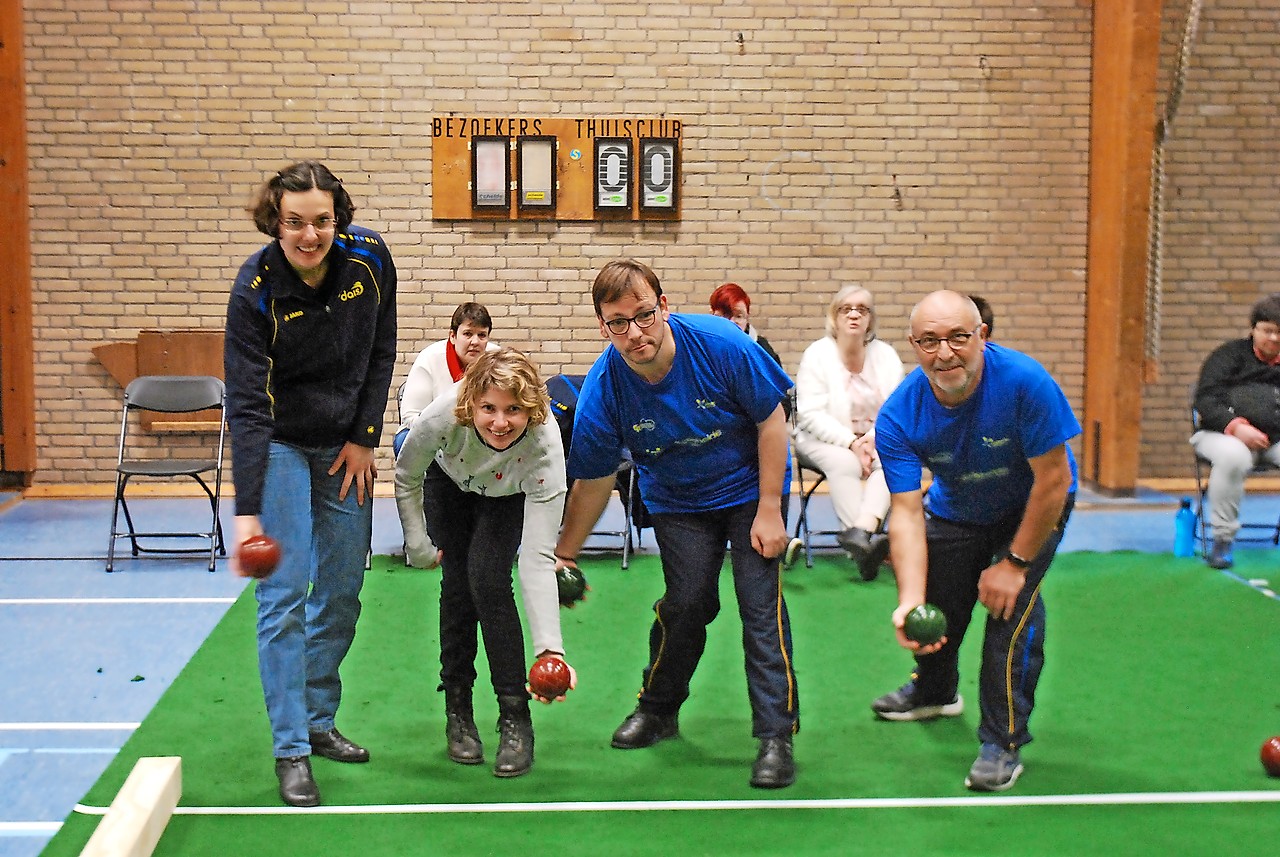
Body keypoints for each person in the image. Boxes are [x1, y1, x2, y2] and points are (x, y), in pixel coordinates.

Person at [554, 259, 799, 789]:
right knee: (688, 604)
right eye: (618, 322)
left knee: (759, 605)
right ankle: (658, 709)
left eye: (643, 315)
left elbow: (772, 419)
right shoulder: (604, 386)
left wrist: (771, 508)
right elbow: (593, 481)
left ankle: (775, 736)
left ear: (664, 307)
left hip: (747, 491)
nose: (634, 332)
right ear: (603, 325)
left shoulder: (720, 344)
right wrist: (566, 554)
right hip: (677, 501)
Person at [224, 160, 397, 808]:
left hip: (344, 445)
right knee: (284, 594)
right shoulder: (255, 289)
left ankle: (319, 717)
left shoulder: (372, 260)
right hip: (280, 445)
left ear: (338, 218)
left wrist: (365, 437)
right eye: (295, 222)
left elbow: (382, 350)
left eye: (320, 220)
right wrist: (248, 512)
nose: (308, 234)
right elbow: (245, 404)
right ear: (276, 220)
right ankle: (291, 747)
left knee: (346, 587)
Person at [871, 290, 1078, 792]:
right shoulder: (899, 415)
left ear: (982, 336)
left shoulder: (1025, 383)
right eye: (929, 341)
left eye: (959, 338)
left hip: (1034, 507)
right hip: (958, 508)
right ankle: (936, 690)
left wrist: (1014, 563)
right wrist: (910, 601)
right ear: (913, 346)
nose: (945, 354)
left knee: (1011, 612)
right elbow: (904, 511)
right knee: (939, 602)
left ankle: (1002, 741)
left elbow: (1053, 482)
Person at [395, 347, 574, 779]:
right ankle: (458, 709)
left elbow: (536, 559)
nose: (499, 421)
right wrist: (417, 543)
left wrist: (552, 650)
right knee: (458, 586)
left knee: (490, 583)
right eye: (488, 408)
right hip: (448, 482)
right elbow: (406, 475)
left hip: (506, 494)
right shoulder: (442, 415)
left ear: (531, 411)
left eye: (514, 410)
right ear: (470, 403)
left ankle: (515, 716)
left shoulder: (545, 448)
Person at [792, 285, 904, 580]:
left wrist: (871, 439)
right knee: (844, 462)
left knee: (895, 459)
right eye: (846, 309)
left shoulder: (887, 356)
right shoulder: (817, 354)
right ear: (835, 316)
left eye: (862, 309)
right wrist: (852, 443)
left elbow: (895, 411)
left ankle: (862, 532)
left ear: (870, 319)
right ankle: (866, 546)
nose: (854, 314)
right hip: (819, 440)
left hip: (876, 439)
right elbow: (809, 414)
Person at [1191, 293, 1280, 569]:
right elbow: (1205, 400)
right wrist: (1237, 427)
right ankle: (1223, 540)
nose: (1274, 339)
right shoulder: (1227, 357)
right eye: (1267, 331)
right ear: (1253, 329)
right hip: (1221, 436)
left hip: (1274, 441)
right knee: (1234, 456)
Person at [394, 302, 498, 455]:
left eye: (482, 335)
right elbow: (411, 417)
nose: (475, 342)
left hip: (483, 437)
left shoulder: (498, 360)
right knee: (405, 439)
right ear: (453, 336)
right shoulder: (429, 359)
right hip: (435, 436)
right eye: (468, 334)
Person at [709, 282, 782, 367]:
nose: (732, 322)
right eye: (726, 315)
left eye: (739, 316)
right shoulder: (701, 347)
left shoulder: (761, 350)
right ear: (712, 315)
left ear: (747, 316)